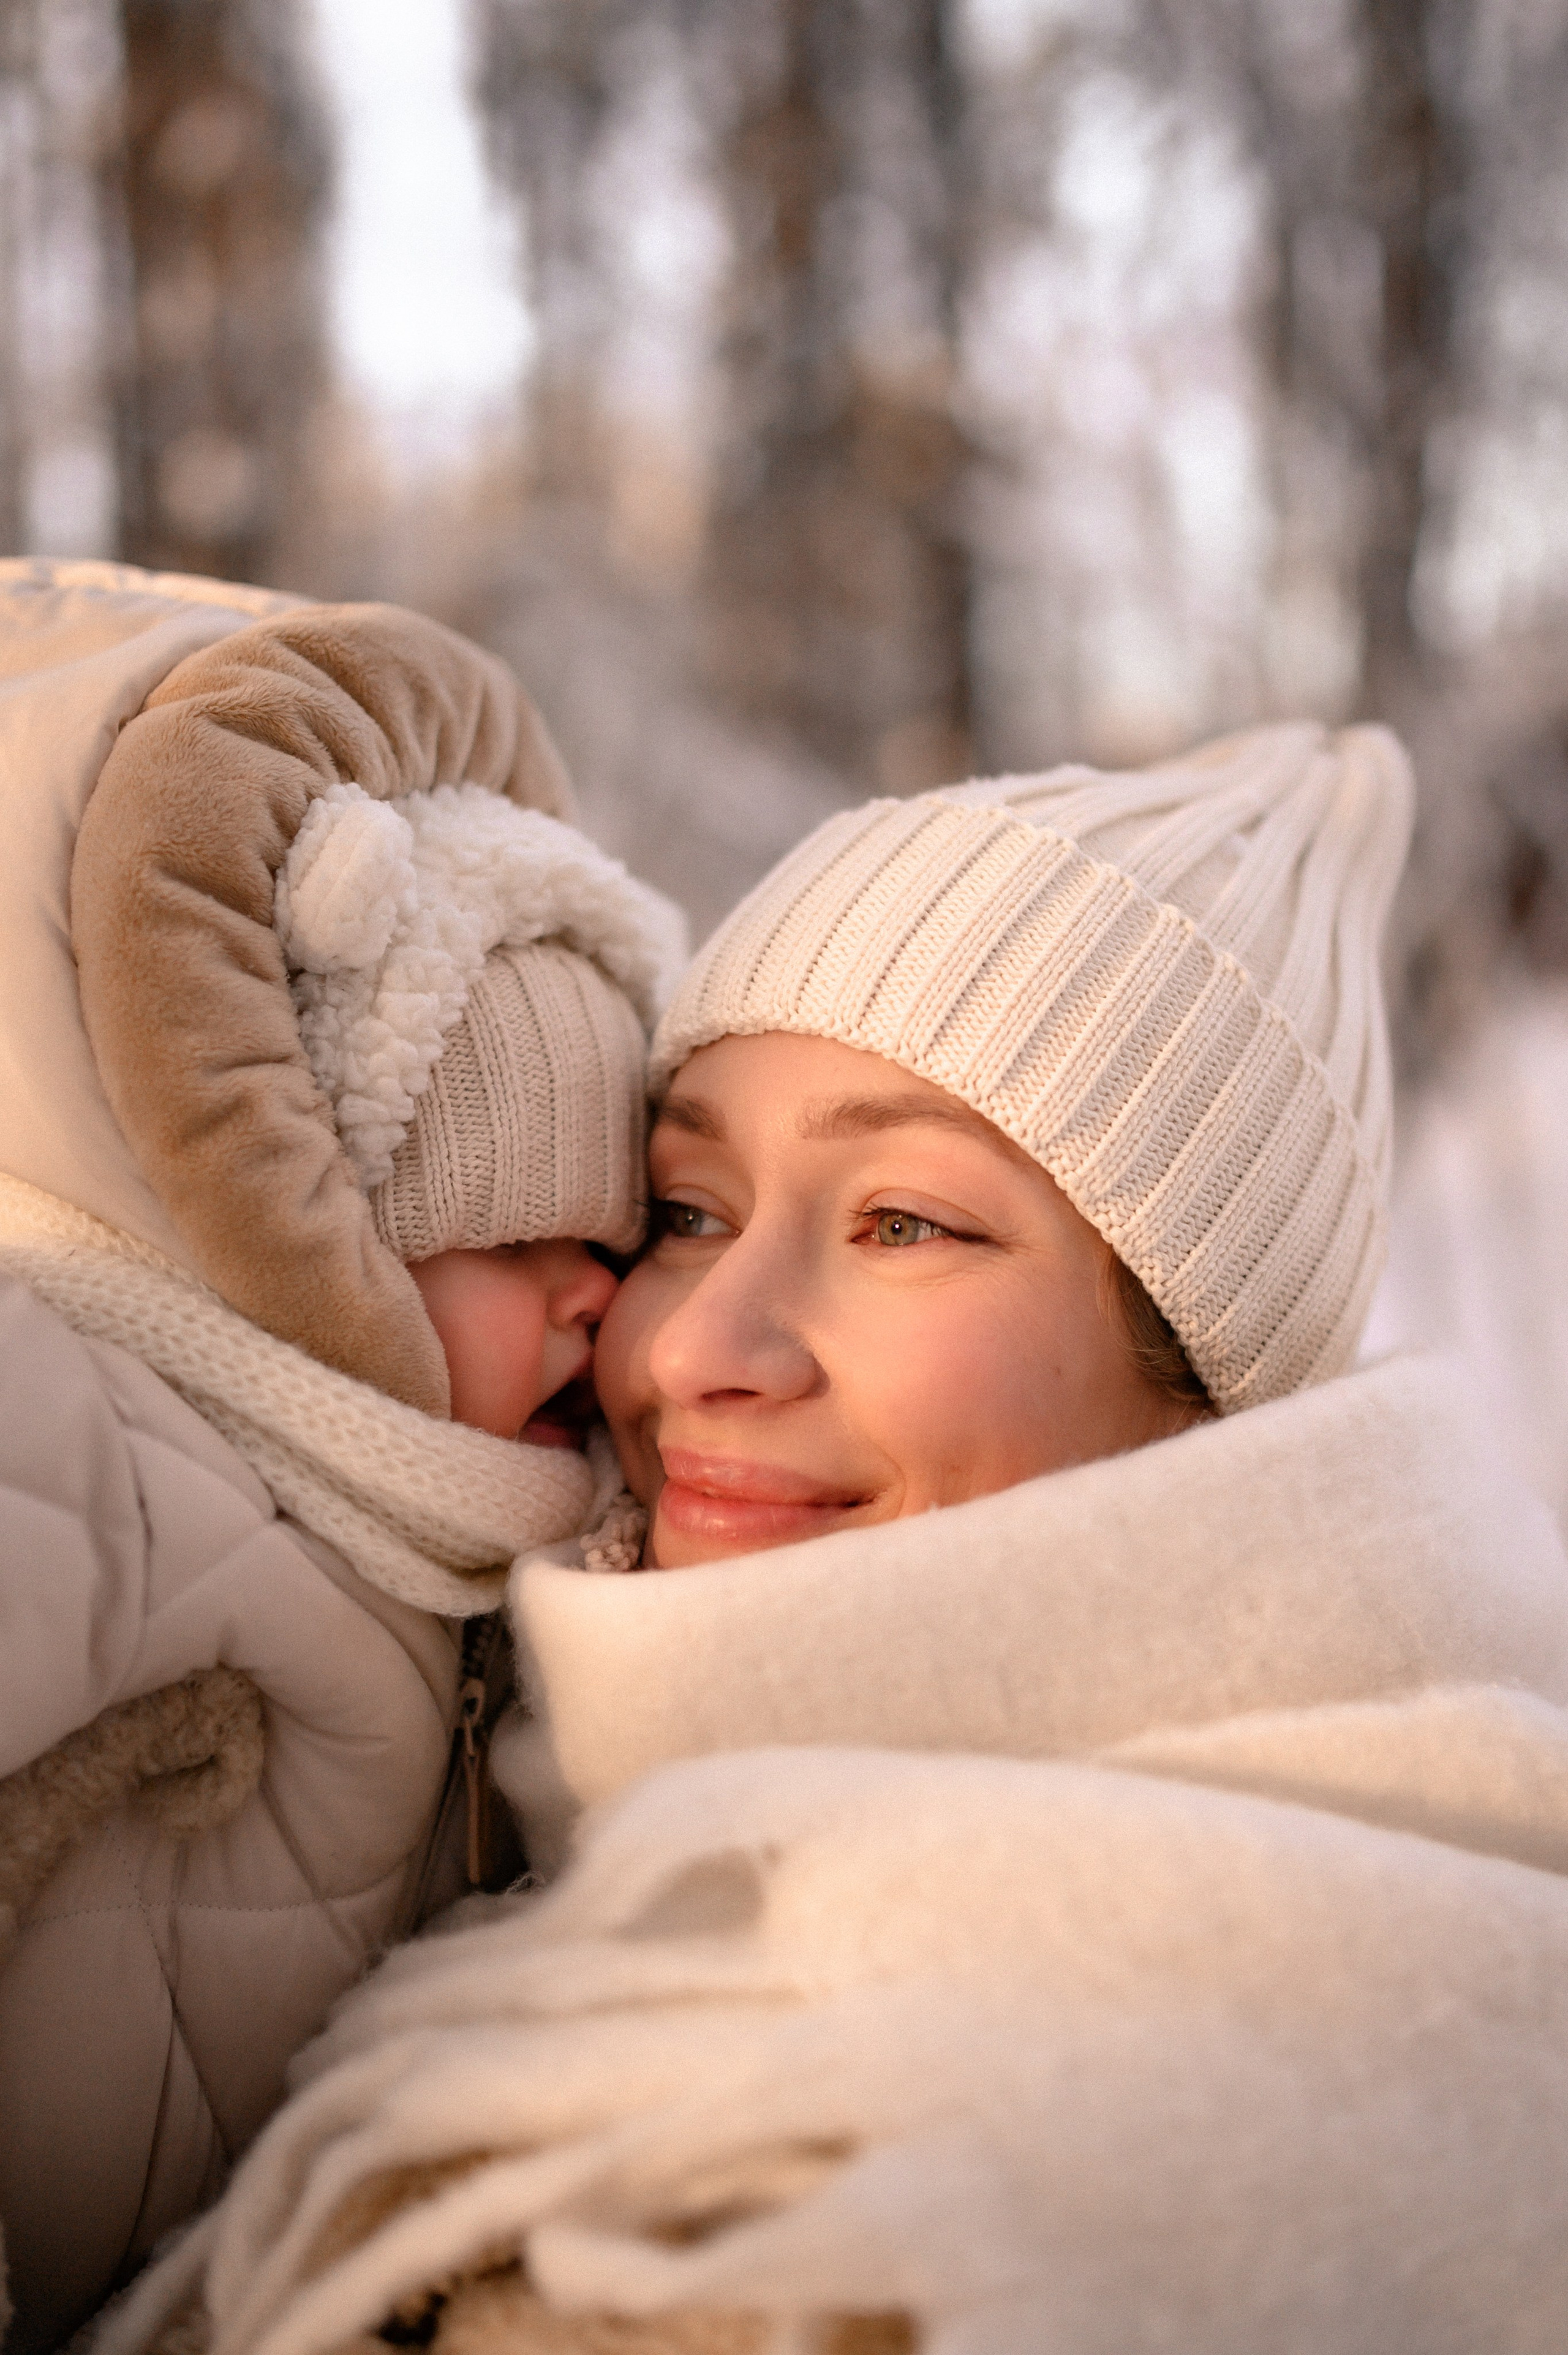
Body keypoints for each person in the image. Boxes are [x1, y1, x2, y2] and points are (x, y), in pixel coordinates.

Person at [101, 725, 1568, 2355]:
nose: (696, 1348)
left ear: (1205, 1388)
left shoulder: (1182, 2078)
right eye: (688, 1212)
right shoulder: (468, 1813)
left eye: (904, 1223)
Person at [0, 558, 682, 2354]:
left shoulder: (488, 1530)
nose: (592, 1298)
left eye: (616, 1245)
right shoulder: (85, 1427)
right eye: (515, 1235)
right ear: (324, 1229)